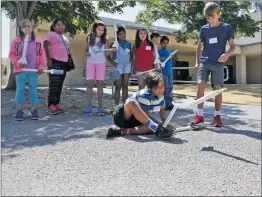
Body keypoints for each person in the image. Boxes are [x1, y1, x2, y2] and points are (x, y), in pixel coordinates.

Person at [193, 2, 235, 127]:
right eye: (207, 17)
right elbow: (199, 45)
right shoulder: (204, 29)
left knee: (217, 89)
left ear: (218, 14)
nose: (210, 19)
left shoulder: (226, 28)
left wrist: (227, 54)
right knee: (200, 85)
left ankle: (217, 116)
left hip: (218, 63)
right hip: (205, 61)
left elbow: (233, 46)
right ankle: (199, 115)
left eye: (212, 16)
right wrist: (197, 61)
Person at [107, 71, 175, 139]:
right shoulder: (144, 95)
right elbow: (146, 118)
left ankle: (123, 131)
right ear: (150, 87)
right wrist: (160, 126)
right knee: (131, 103)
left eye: (162, 85)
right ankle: (156, 128)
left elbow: (161, 110)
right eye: (157, 86)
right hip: (123, 118)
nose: (161, 89)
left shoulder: (161, 96)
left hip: (137, 121)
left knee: (151, 127)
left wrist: (165, 124)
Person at [9, 19, 46, 121]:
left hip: (33, 70)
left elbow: (42, 55)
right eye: (24, 26)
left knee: (33, 90)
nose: (27, 28)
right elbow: (11, 54)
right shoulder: (16, 41)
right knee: (20, 89)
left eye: (29, 26)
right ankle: (19, 111)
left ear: (32, 27)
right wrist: (17, 62)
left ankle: (34, 111)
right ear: (21, 29)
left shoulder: (38, 41)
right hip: (20, 70)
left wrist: (41, 67)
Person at [85, 21, 116, 116]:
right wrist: (86, 53)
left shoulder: (105, 39)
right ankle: (89, 106)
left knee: (99, 84)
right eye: (99, 29)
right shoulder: (89, 37)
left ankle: (100, 106)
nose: (101, 31)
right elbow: (86, 49)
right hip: (90, 63)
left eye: (102, 30)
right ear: (95, 29)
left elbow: (106, 54)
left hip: (101, 63)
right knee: (90, 84)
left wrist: (111, 50)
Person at [44, 18, 72, 115]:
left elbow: (67, 51)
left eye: (62, 24)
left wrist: (69, 62)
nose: (61, 26)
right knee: (54, 84)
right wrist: (48, 59)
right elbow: (45, 44)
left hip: (64, 63)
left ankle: (56, 103)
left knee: (60, 84)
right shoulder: (50, 34)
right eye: (58, 24)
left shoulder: (65, 38)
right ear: (54, 26)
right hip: (54, 62)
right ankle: (51, 105)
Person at [107, 25, 132, 105]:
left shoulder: (128, 44)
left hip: (127, 66)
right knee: (118, 86)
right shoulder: (114, 44)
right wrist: (112, 62)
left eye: (123, 33)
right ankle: (116, 106)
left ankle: (125, 106)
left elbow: (130, 55)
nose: (122, 35)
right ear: (117, 35)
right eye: (120, 34)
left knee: (125, 85)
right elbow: (107, 56)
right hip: (118, 66)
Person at [158, 36, 176, 110]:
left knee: (171, 87)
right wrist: (168, 57)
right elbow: (159, 59)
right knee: (166, 88)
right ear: (161, 43)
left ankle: (170, 102)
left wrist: (172, 56)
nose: (165, 44)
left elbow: (171, 61)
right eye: (164, 43)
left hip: (169, 72)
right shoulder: (159, 51)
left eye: (167, 43)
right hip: (164, 72)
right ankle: (166, 103)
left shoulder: (169, 51)